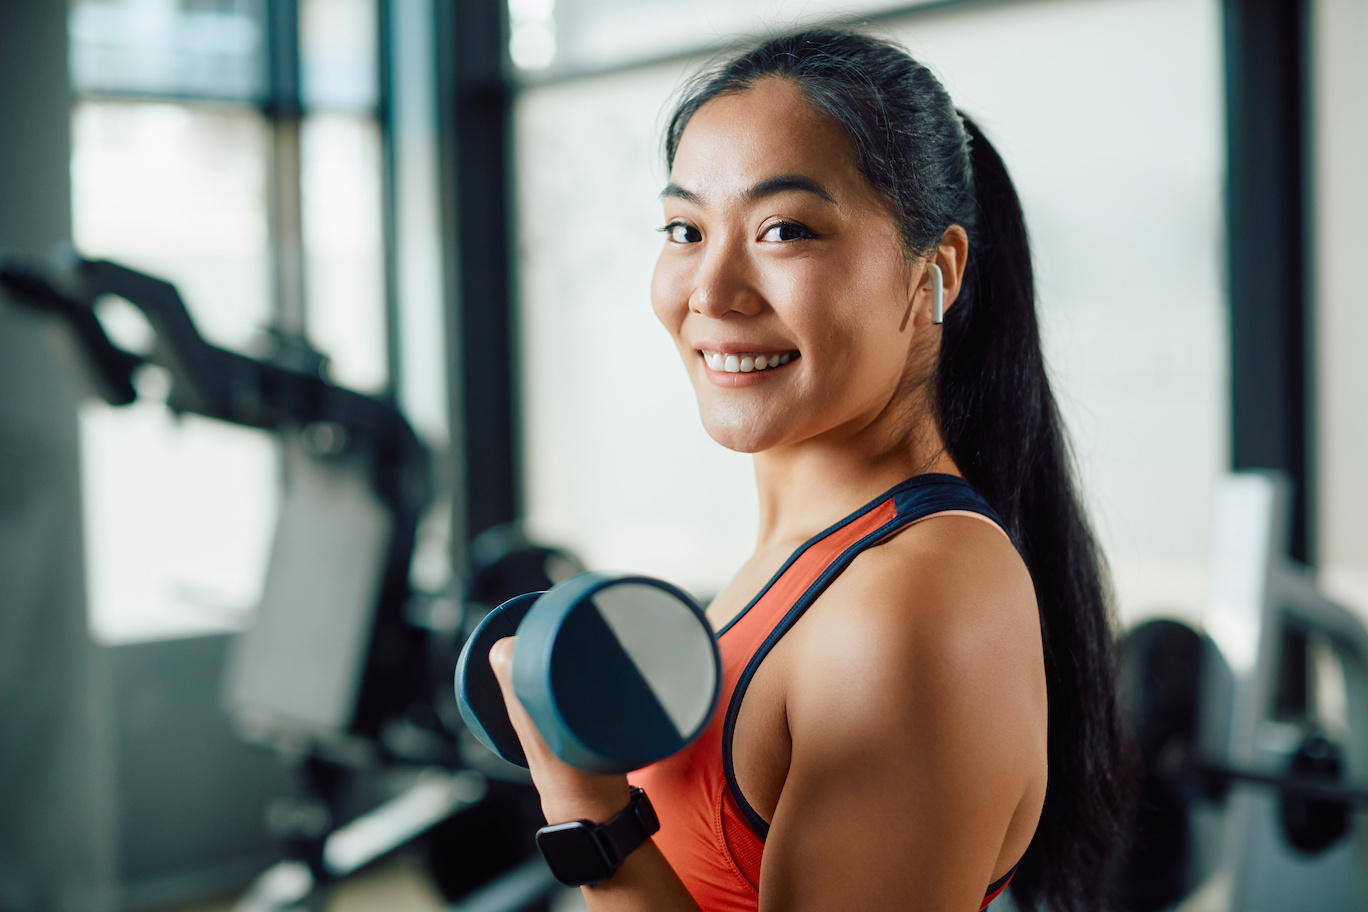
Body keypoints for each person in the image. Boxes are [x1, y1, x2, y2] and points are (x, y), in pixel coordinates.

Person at [489, 27, 1130, 912]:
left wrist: (587, 808)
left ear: (933, 272)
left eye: (784, 230)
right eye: (685, 229)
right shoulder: (811, 560)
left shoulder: (912, 601)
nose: (711, 290)